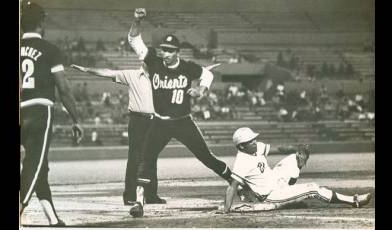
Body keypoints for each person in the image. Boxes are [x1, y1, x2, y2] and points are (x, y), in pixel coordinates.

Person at [128, 8, 232, 217]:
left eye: (169, 50)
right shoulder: (154, 62)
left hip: (183, 122)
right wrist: (136, 21)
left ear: (177, 51)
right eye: (163, 50)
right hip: (160, 122)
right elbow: (134, 40)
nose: (164, 53)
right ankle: (139, 202)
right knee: (145, 158)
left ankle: (235, 181)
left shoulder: (187, 67)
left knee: (206, 157)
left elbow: (207, 75)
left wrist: (201, 90)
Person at [20, 2, 84, 227]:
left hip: (20, 108)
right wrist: (76, 120)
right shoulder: (49, 50)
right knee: (34, 165)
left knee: (40, 168)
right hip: (39, 110)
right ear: (41, 22)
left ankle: (53, 219)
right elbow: (64, 89)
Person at [70, 62, 166, 205]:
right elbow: (108, 72)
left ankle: (151, 195)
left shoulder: (158, 77)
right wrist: (87, 68)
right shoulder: (132, 75)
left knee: (151, 158)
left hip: (154, 120)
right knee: (134, 158)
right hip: (138, 119)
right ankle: (129, 196)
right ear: (144, 61)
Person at [216, 128, 372, 213]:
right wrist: (226, 209)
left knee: (293, 158)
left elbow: (276, 148)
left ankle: (289, 194)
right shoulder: (241, 161)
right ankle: (354, 201)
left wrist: (293, 148)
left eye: (254, 138)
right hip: (271, 196)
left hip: (275, 183)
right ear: (241, 146)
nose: (255, 141)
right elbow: (232, 186)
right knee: (313, 188)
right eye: (250, 140)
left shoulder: (256, 147)